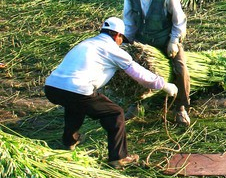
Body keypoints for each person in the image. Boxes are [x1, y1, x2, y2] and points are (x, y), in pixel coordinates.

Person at [44, 17, 178, 169]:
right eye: (122, 39)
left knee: (75, 105)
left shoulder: (86, 43)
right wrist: (164, 85)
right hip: (77, 88)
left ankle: (69, 142)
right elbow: (140, 74)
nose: (121, 43)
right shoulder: (112, 49)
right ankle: (118, 158)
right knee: (114, 113)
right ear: (117, 36)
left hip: (52, 88)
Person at [115, 0, 191, 127]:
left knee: (180, 69)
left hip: (165, 38)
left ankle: (181, 108)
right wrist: (127, 43)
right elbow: (129, 21)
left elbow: (179, 21)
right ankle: (137, 103)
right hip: (143, 39)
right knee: (133, 67)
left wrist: (174, 41)